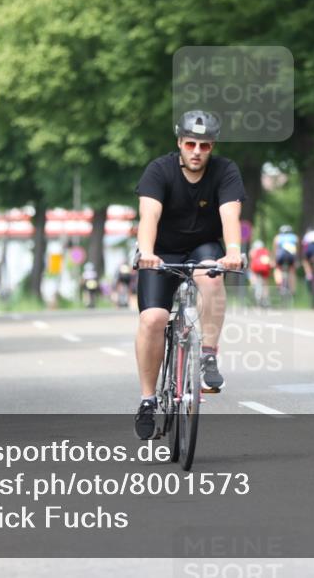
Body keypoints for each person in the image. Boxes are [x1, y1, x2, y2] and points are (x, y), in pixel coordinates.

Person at [132, 110, 245, 440]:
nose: (197, 151)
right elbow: (149, 215)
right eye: (191, 143)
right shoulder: (159, 170)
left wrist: (234, 250)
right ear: (180, 142)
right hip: (162, 251)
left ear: (213, 147)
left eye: (205, 146)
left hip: (202, 247)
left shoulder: (225, 172)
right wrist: (147, 253)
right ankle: (148, 400)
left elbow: (230, 215)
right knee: (153, 319)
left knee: (212, 277)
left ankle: (208, 355)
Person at [272, 225, 299, 294]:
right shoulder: (295, 237)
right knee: (292, 271)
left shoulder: (277, 237)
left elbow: (275, 250)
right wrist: (296, 261)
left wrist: (274, 260)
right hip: (291, 256)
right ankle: (293, 290)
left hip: (281, 255)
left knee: (277, 268)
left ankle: (279, 284)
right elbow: (297, 250)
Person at [247, 239, 273, 307]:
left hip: (255, 270)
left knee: (253, 279)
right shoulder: (265, 251)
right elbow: (268, 262)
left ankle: (254, 288)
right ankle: (266, 299)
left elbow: (251, 261)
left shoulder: (252, 251)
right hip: (264, 270)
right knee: (265, 284)